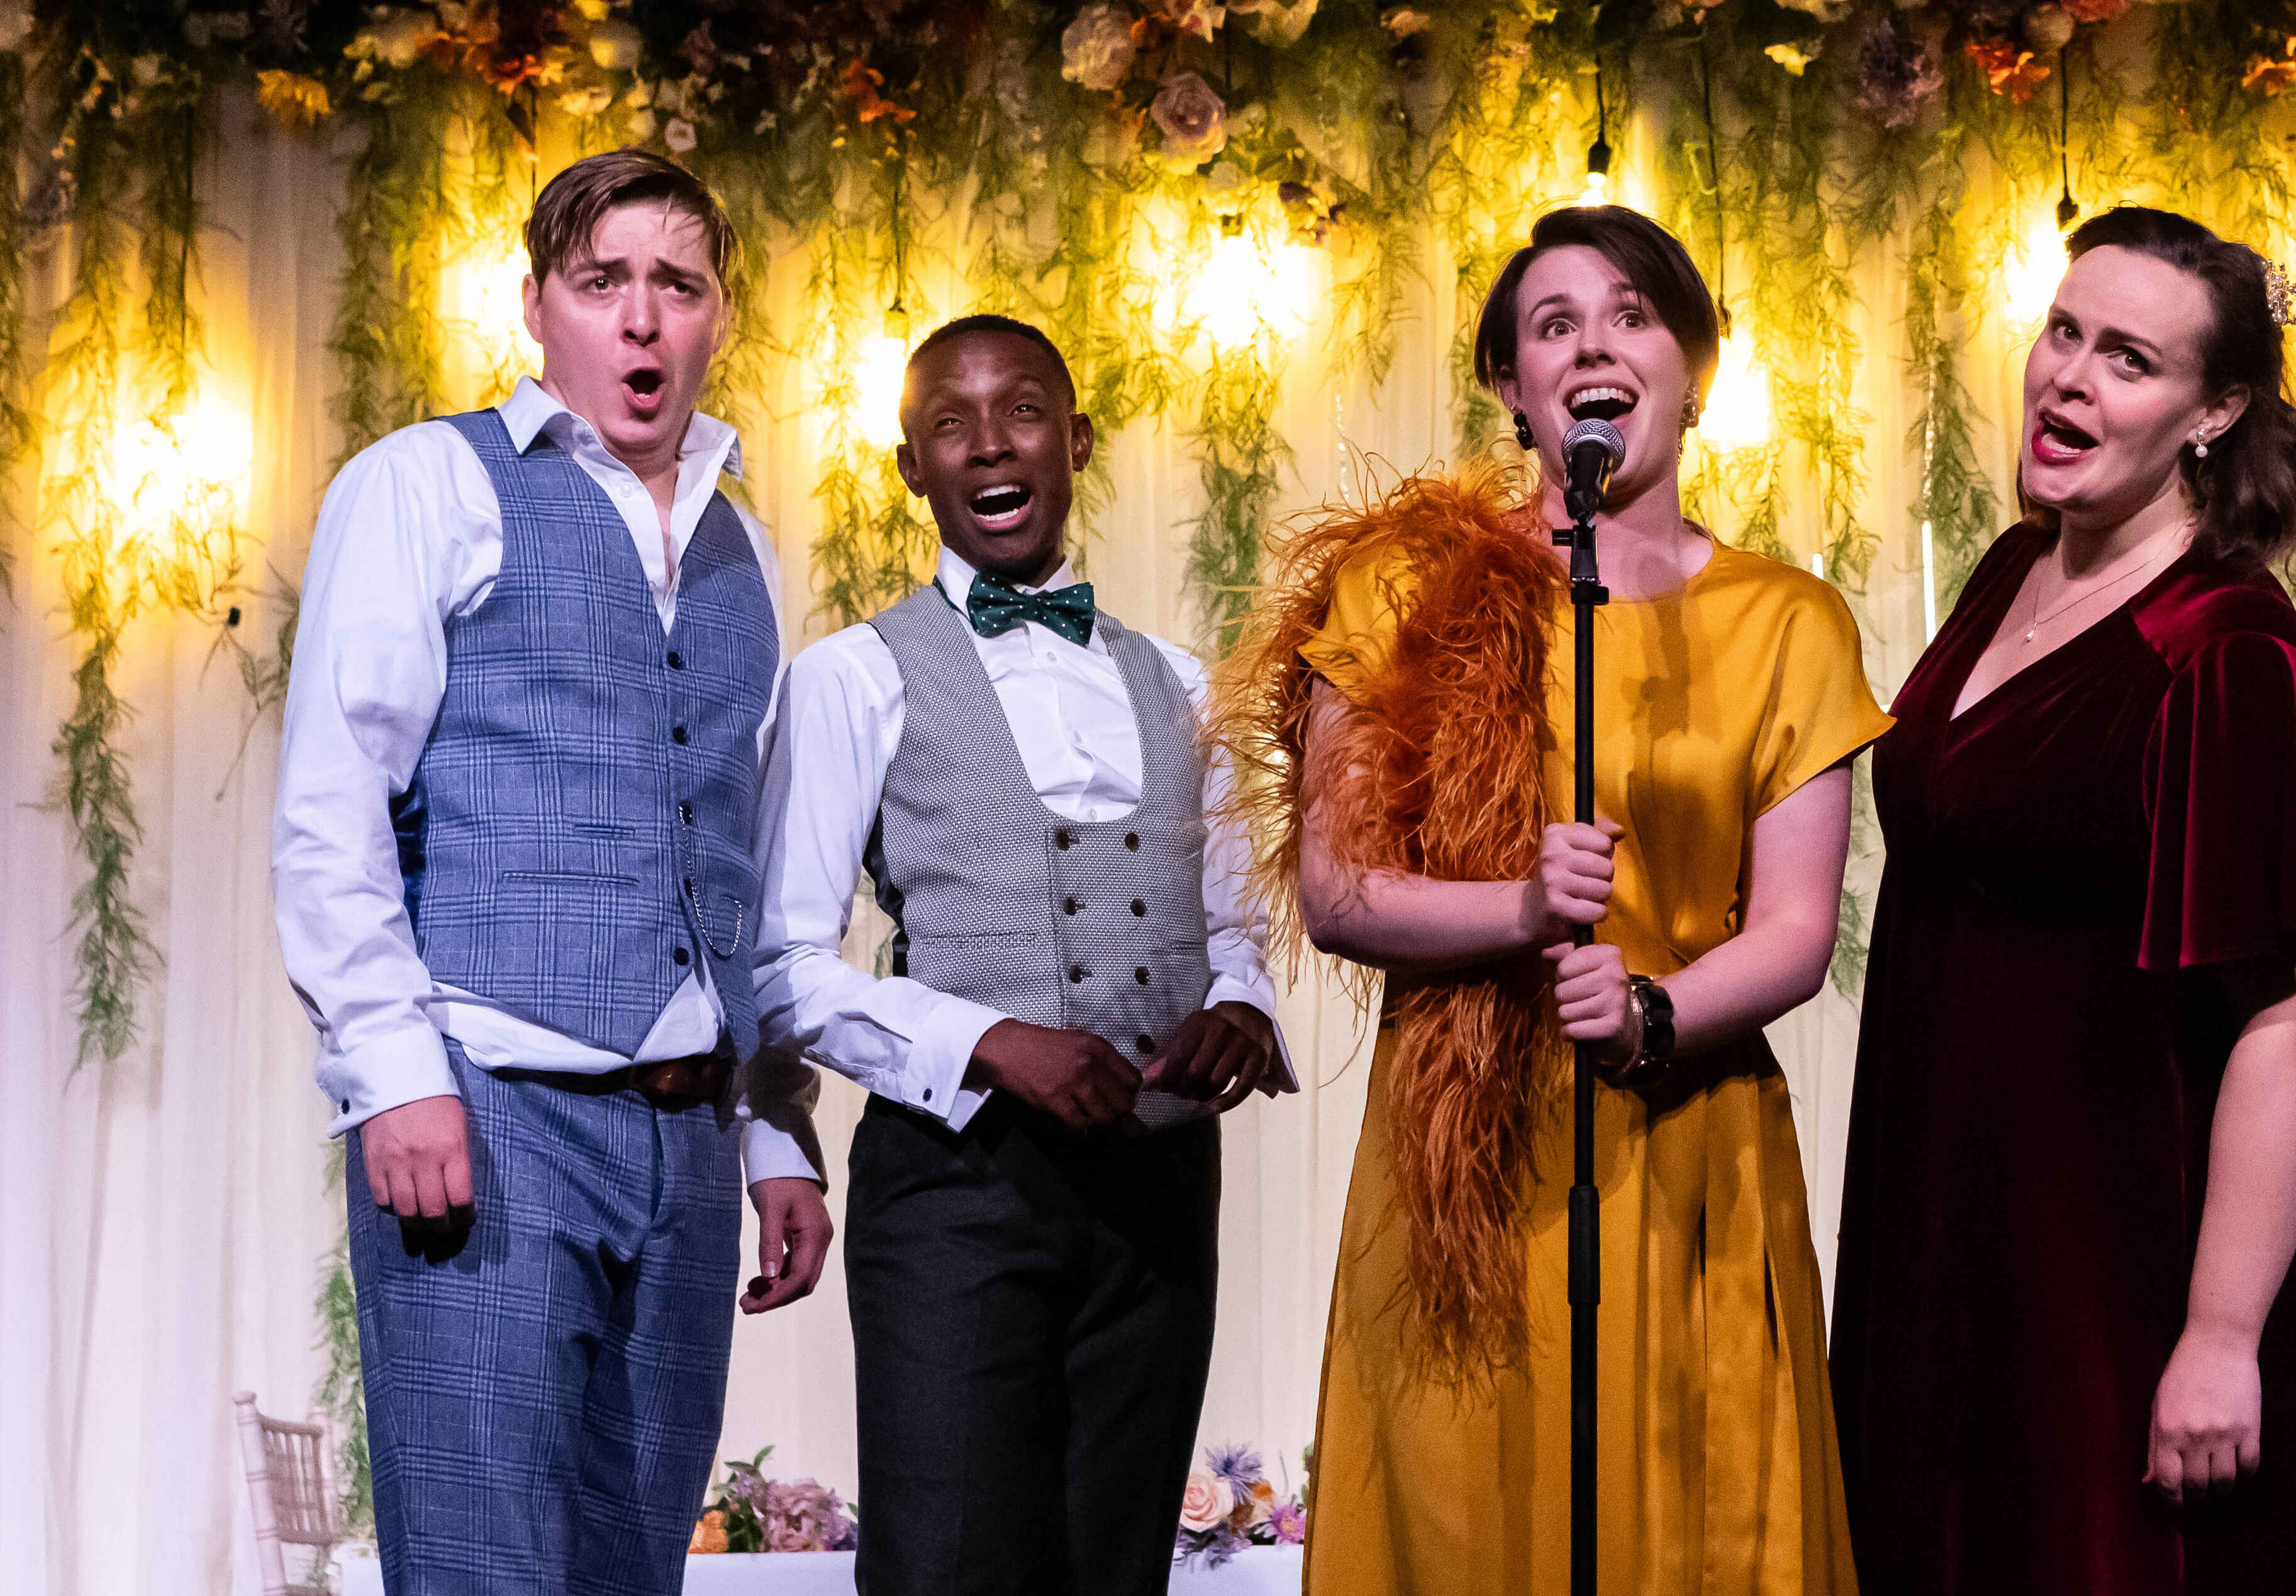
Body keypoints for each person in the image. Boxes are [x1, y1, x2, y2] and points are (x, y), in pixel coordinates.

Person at [1215, 205, 1890, 1595]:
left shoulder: (1788, 620)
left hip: (1686, 1131)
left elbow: (1795, 930)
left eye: (1634, 313)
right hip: (1466, 1146)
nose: (1596, 342)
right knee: (1472, 1515)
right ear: (1512, 392)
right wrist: (1519, 912)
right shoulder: (1403, 584)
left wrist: (1652, 1011)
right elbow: (1338, 891)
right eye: (1554, 323)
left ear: (1694, 365)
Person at [1827, 206, 2296, 1594]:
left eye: (2127, 359)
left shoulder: (2224, 657)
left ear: (2212, 412)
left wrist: (2218, 1334)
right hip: (1957, 1228)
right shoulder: (2005, 573)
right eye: (2061, 333)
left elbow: (2290, 1022)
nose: (2068, 378)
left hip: (2127, 1261)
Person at [273, 149, 830, 1593]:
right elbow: (335, 800)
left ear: (716, 318)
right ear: (538, 306)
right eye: (603, 284)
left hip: (688, 1137)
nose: (642, 320)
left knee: (629, 1570)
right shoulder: (425, 485)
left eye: (676, 286)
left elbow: (742, 870)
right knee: (481, 1568)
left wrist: (770, 1130)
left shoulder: (740, 545)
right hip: (491, 1103)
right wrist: (393, 1072)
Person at [750, 313, 1295, 1595]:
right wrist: (987, 1041)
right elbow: (776, 965)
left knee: (1113, 1567)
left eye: (1023, 410)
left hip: (1159, 1187)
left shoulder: (1186, 681)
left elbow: (1234, 926)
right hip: (955, 1190)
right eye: (950, 420)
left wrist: (1243, 1009)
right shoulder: (851, 677)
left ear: (1077, 440)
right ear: (911, 469)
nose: (989, 443)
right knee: (947, 1566)